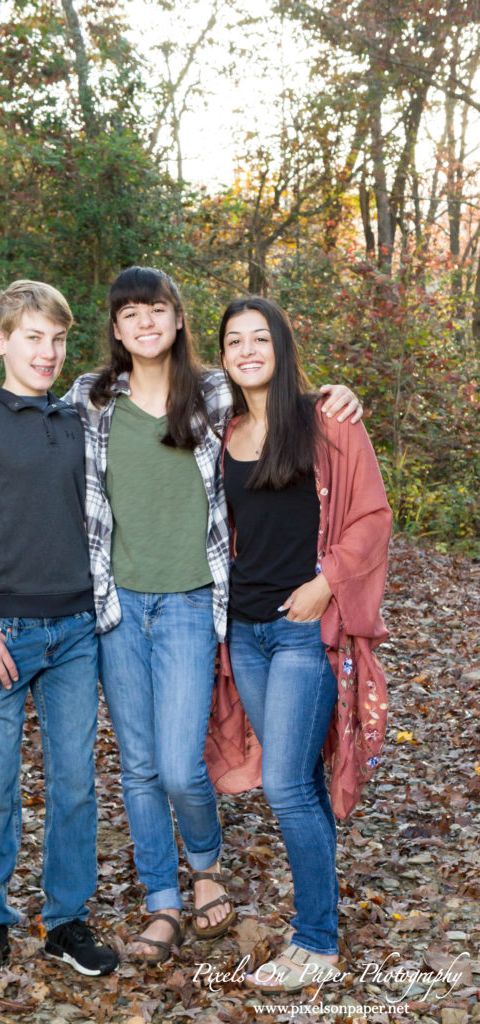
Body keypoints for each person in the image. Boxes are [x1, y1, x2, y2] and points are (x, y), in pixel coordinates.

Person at [0, 266, 362, 963]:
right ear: (115, 329)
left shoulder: (215, 393)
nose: (144, 323)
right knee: (136, 765)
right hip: (113, 607)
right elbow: (16, 404)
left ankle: (206, 869)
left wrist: (336, 395)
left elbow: (279, 395)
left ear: (175, 320)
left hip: (192, 604)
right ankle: (161, 901)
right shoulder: (88, 399)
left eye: (157, 310)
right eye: (129, 313)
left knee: (177, 765)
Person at [0, 280, 118, 982]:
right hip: (0, 634)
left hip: (75, 630)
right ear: (1, 340)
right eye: (33, 337)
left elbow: (176, 385)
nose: (47, 352)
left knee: (74, 782)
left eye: (58, 339)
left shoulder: (80, 420)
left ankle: (66, 921)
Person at [214, 296, 391, 992]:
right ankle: (320, 923)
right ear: (223, 356)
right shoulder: (224, 433)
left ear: (282, 348)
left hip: (301, 631)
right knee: (299, 781)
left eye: (261, 337)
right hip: (246, 632)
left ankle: (314, 941)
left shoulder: (326, 422)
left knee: (285, 784)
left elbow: (371, 517)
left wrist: (326, 582)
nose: (248, 349)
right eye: (234, 340)